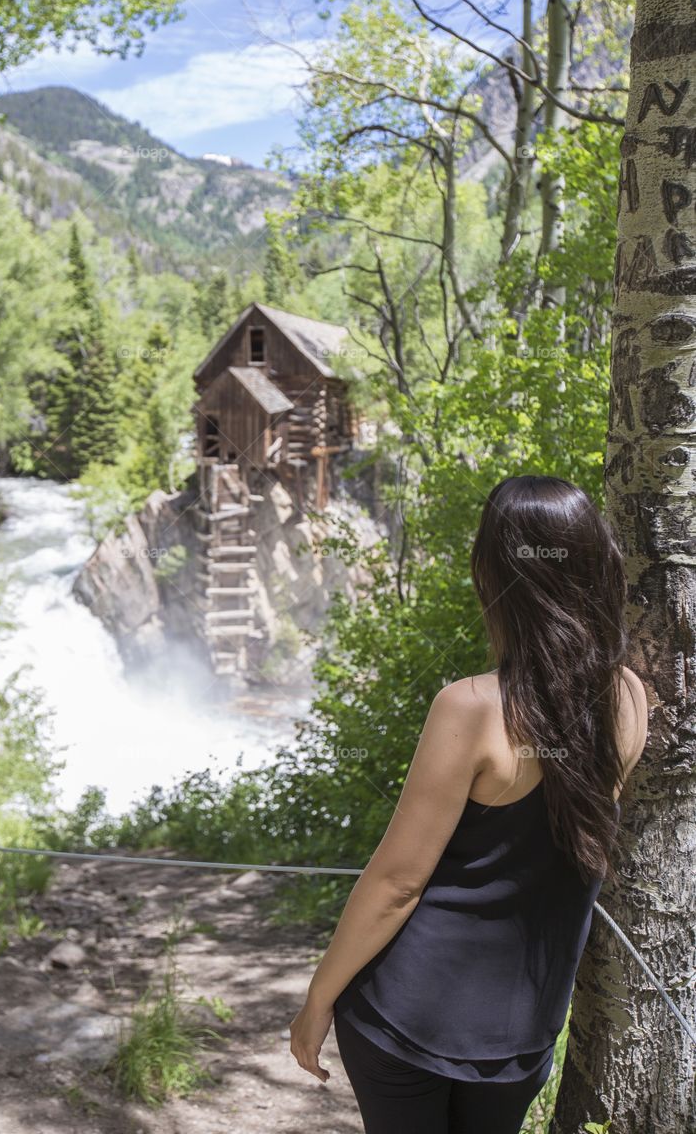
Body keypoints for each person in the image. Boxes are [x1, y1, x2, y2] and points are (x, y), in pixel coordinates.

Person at [289, 475, 648, 1134]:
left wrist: (318, 997)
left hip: (404, 1019)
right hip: (522, 1035)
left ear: (492, 573)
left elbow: (398, 883)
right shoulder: (626, 697)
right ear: (594, 563)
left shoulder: (473, 708)